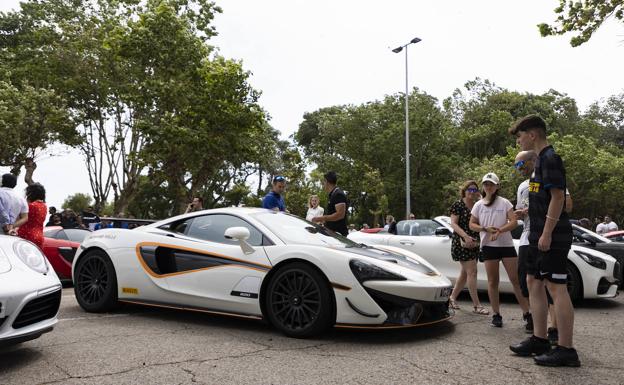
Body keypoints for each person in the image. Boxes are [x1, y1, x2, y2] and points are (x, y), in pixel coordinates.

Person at [509, 114, 579, 367]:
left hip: (553, 235)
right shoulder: (538, 164)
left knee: (556, 287)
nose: (518, 142)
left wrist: (548, 233)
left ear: (532, 135)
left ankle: (566, 349)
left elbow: (559, 198)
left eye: (519, 137)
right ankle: (539, 339)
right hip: (537, 235)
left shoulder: (551, 158)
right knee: (533, 282)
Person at [469, 172, 530, 328]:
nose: (488, 187)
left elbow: (514, 222)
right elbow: (472, 225)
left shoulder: (505, 203)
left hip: (506, 245)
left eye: (491, 184)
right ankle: (496, 314)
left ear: (497, 186)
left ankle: (527, 313)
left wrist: (500, 231)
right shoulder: (478, 205)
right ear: (483, 187)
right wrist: (485, 229)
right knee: (492, 281)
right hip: (489, 247)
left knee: (516, 280)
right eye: (486, 184)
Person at [448, 180, 488, 315]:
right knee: (472, 272)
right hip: (462, 242)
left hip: (474, 243)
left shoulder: (478, 205)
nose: (472, 192)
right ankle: (477, 305)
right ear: (464, 191)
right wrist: (465, 236)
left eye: (474, 190)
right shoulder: (458, 205)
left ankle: (452, 298)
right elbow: (453, 224)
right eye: (469, 189)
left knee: (465, 273)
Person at [311, 171, 348, 236]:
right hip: (330, 233)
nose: (323, 184)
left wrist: (321, 218)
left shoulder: (338, 194)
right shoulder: (332, 194)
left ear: (326, 181)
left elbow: (340, 215)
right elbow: (332, 214)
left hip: (338, 235)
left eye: (323, 182)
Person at [17, 183, 47, 249]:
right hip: (39, 236)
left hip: (27, 235)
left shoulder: (31, 205)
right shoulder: (44, 206)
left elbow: (21, 219)